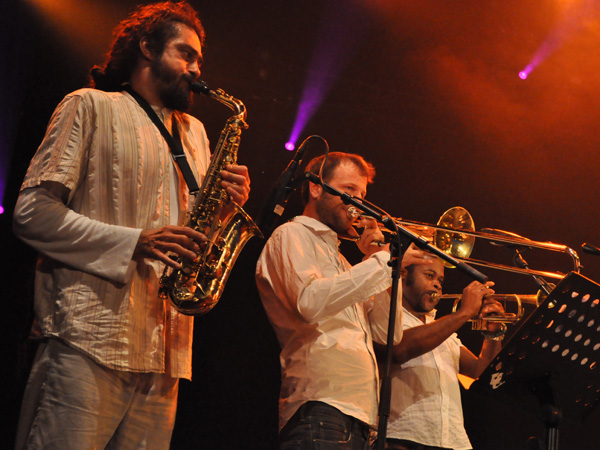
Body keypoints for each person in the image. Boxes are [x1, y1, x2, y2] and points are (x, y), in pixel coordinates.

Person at [12, 2, 251, 449]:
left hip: (167, 355)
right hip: (89, 338)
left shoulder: (196, 133)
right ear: (146, 48)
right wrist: (134, 242)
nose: (196, 68)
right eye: (186, 54)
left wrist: (221, 211)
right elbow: (31, 212)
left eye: (199, 58)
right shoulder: (89, 106)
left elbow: (189, 237)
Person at [255, 151, 432, 450]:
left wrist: (386, 265)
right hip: (319, 408)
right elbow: (309, 302)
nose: (358, 203)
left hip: (360, 418)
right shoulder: (291, 235)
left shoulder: (343, 263)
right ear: (316, 188)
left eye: (362, 194)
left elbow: (385, 332)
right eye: (349, 191)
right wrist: (382, 263)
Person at [383, 257, 505, 450]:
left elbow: (478, 373)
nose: (437, 285)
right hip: (404, 439)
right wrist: (464, 313)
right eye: (429, 276)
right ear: (404, 275)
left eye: (440, 280)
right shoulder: (387, 318)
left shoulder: (444, 333)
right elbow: (399, 349)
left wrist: (493, 335)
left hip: (453, 442)